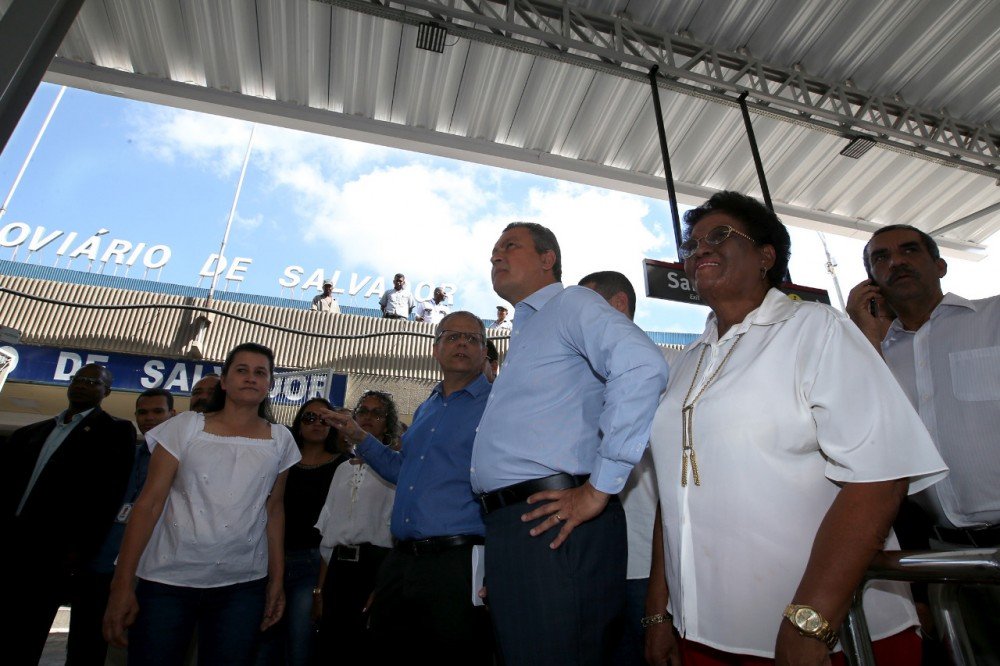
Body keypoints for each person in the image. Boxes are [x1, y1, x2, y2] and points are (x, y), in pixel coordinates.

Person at [644, 192, 947, 665]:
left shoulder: (815, 329)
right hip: (701, 633)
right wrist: (658, 612)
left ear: (766, 256)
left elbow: (881, 475)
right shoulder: (689, 363)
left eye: (719, 235)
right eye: (692, 244)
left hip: (829, 635)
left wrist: (812, 618)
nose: (699, 248)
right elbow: (675, 492)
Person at [472, 223, 668, 665]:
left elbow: (642, 367)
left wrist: (599, 489)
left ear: (548, 259)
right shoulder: (527, 332)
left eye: (510, 246)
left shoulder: (573, 303)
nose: (496, 256)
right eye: (494, 250)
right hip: (518, 529)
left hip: (558, 523)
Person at [846, 223, 1000, 662]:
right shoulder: (874, 357)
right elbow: (870, 447)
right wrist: (864, 341)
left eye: (909, 250)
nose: (895, 261)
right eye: (881, 258)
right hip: (947, 559)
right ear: (871, 282)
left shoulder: (992, 319)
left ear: (940, 264)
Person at [103, 342, 301, 666]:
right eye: (241, 370)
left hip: (243, 586)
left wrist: (276, 580)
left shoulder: (281, 440)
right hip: (167, 581)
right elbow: (148, 504)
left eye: (260, 372)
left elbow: (274, 511)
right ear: (224, 380)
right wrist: (122, 583)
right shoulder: (185, 427)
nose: (251, 378)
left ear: (269, 384)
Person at [323, 311, 495, 663]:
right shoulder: (427, 407)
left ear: (484, 353)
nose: (462, 343)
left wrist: (501, 564)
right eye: (452, 336)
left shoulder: (498, 405)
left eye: (472, 338)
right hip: (401, 560)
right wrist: (359, 436)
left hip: (458, 563)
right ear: (435, 349)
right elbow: (403, 471)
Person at [1, 363, 137, 665]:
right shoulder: (30, 434)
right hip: (11, 548)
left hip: (54, 554)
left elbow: (107, 495)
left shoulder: (114, 432)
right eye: (79, 378)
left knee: (28, 630)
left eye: (93, 381)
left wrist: (81, 550)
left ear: (106, 391)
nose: (83, 385)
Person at [578, 270, 659, 666]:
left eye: (587, 309)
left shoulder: (660, 367)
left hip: (644, 565)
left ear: (619, 305)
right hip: (593, 564)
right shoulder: (581, 374)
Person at [67, 388, 177, 665]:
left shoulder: (181, 462)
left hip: (144, 569)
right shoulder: (125, 454)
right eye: (143, 412)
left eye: (158, 412)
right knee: (83, 646)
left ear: (173, 415)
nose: (149, 418)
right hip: (100, 564)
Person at [256, 397, 347, 666]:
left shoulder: (343, 466)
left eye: (324, 419)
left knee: (300, 644)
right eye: (309, 418)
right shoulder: (281, 462)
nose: (317, 424)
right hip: (271, 559)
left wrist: (322, 586)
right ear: (298, 423)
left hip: (313, 563)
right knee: (265, 642)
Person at [314, 391, 400, 662]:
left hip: (377, 567)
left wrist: (384, 586)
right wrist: (320, 590)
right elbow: (328, 534)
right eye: (363, 411)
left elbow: (399, 534)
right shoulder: (342, 469)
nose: (368, 417)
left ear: (388, 423)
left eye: (377, 413)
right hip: (338, 568)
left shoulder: (396, 469)